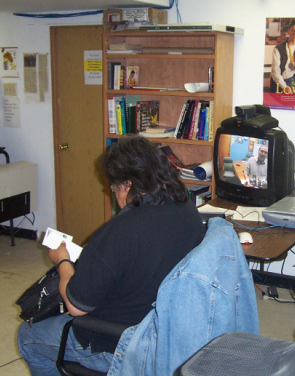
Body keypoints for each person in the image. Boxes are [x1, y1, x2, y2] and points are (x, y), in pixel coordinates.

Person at [17, 136, 206, 375]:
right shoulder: (185, 207)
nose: (114, 193)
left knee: (27, 336)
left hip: (121, 342)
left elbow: (76, 307)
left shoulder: (119, 232)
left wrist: (62, 260)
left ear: (127, 184)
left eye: (114, 187)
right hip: (167, 331)